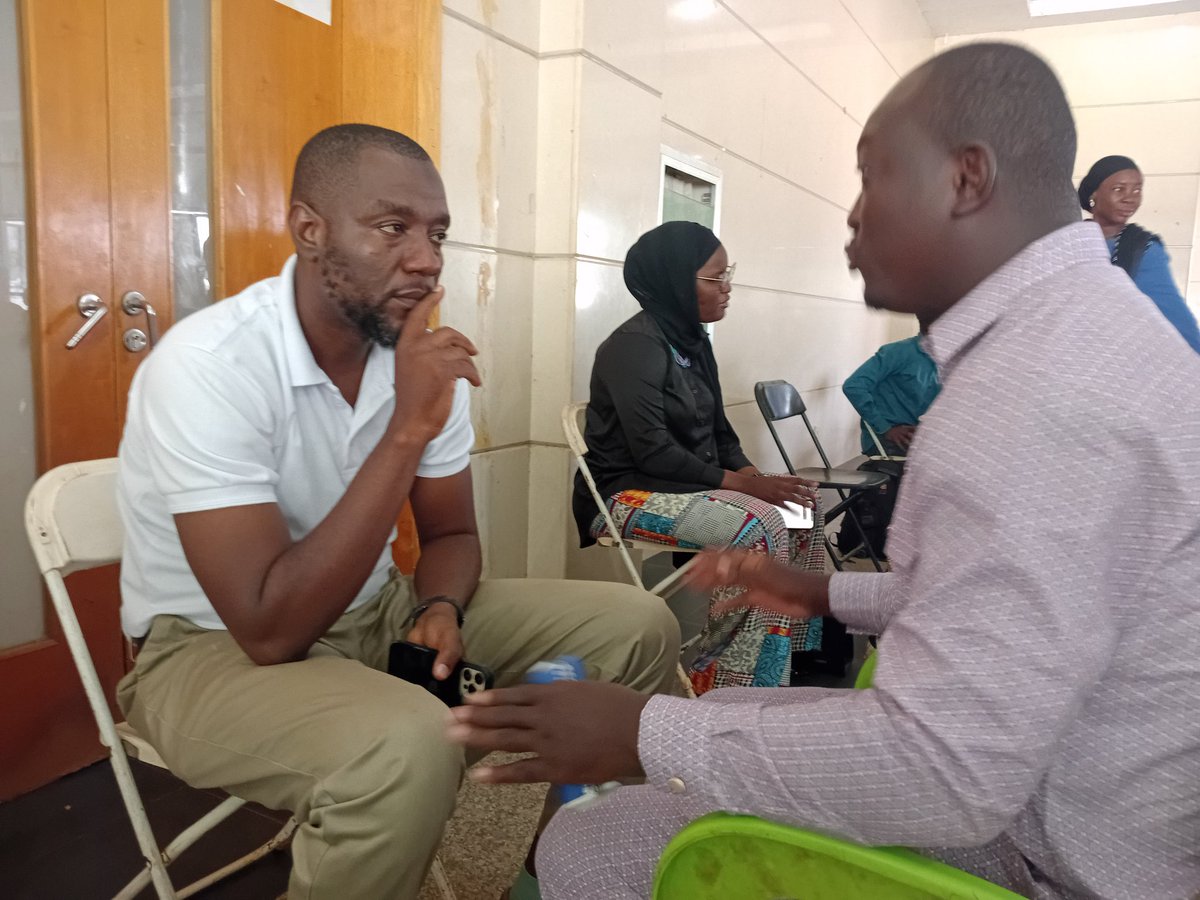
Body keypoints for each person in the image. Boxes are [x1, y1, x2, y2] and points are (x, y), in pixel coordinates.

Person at [447, 43, 1200, 900]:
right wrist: (821, 591)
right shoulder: (1080, 337)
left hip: (1045, 859)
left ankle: (723, 700)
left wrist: (643, 733)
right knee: (733, 676)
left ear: (967, 179)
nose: (850, 215)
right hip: (1055, 805)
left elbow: (944, 772)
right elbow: (1007, 595)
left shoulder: (1034, 389)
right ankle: (757, 663)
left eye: (873, 175)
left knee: (590, 840)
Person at [114, 124, 682, 900]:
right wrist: (409, 423)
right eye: (392, 228)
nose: (426, 258)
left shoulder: (411, 362)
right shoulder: (209, 366)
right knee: (406, 745)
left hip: (374, 607)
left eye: (437, 233)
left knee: (635, 624)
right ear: (308, 229)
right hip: (207, 647)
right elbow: (268, 628)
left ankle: (561, 860)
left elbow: (450, 534)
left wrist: (440, 604)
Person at [572, 221, 825, 694]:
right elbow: (654, 451)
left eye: (728, 274)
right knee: (756, 527)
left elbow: (720, 432)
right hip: (627, 493)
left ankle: (784, 654)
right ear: (674, 281)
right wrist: (749, 488)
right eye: (714, 278)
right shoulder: (635, 346)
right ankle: (720, 676)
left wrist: (753, 474)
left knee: (803, 508)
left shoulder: (692, 340)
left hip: (685, 482)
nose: (727, 288)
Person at [1078, 154, 1200, 353]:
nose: (1130, 198)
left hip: (1115, 358)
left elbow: (1175, 317)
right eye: (1119, 189)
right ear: (1094, 194)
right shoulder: (1066, 242)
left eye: (1137, 190)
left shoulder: (1142, 249)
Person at [842, 330, 940, 456]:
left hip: (919, 438)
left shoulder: (946, 360)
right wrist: (885, 428)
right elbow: (854, 386)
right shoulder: (899, 352)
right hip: (890, 440)